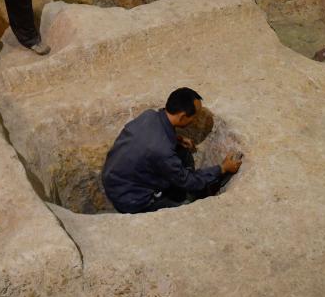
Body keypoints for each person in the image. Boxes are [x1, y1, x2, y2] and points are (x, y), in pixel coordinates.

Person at [101, 88, 243, 214]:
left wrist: (176, 139)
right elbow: (187, 181)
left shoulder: (149, 115)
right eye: (195, 116)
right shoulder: (163, 152)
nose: (195, 120)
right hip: (131, 199)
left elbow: (150, 140)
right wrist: (222, 168)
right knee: (186, 209)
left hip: (114, 181)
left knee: (182, 153)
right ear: (182, 117)